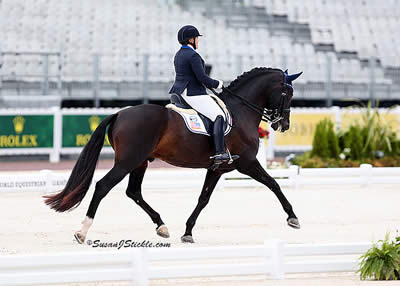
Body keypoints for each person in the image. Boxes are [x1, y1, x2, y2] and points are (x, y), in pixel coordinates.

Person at [169, 25, 234, 165]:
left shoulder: (179, 54)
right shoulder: (193, 55)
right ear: (191, 39)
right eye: (197, 38)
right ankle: (219, 153)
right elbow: (202, 78)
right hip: (193, 93)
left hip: (179, 91)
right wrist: (218, 84)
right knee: (219, 115)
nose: (198, 41)